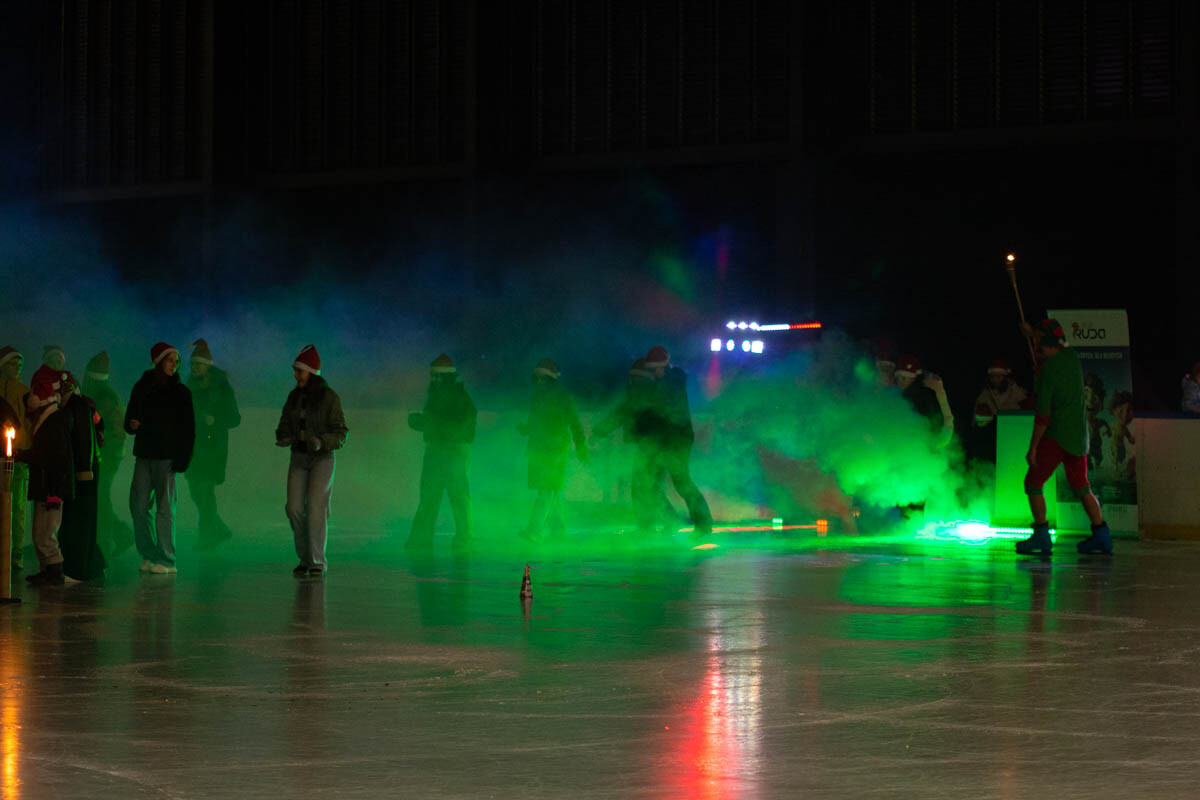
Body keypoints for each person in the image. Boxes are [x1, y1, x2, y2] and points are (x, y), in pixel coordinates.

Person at [1016, 318, 1111, 555]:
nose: (1039, 350)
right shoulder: (1072, 357)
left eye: (1041, 346)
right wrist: (1034, 332)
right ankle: (1101, 535)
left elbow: (1043, 415)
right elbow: (1053, 342)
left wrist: (1033, 447)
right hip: (1079, 436)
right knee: (1081, 486)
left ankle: (1041, 536)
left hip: (1056, 436)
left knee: (1033, 483)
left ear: (1047, 346)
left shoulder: (1047, 371)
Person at [276, 345, 347, 577]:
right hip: (299, 457)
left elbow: (340, 433)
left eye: (300, 371)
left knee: (316, 508)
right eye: (295, 371)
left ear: (312, 372)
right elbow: (284, 423)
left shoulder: (329, 398)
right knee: (294, 508)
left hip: (321, 459)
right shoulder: (293, 397)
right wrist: (284, 436)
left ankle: (316, 561)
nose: (296, 375)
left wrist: (321, 441)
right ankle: (305, 557)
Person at [125, 342, 195, 574]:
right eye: (170, 360)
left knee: (165, 507)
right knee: (138, 504)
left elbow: (188, 429)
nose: (174, 365)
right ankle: (149, 553)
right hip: (144, 454)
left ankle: (166, 559)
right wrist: (132, 424)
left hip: (166, 456)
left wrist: (182, 458)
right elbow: (130, 417)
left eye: (176, 361)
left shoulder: (181, 393)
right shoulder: (142, 386)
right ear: (158, 361)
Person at [638, 346, 713, 536]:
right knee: (652, 484)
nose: (654, 373)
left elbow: (663, 407)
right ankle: (671, 520)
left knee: (681, 482)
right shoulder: (661, 382)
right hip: (664, 440)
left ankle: (703, 524)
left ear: (662, 367)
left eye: (656, 369)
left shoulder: (674, 379)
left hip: (676, 440)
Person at [406, 354, 476, 551]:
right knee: (430, 497)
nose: (434, 380)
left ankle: (464, 539)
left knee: (458, 498)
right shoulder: (439, 397)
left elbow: (464, 429)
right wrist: (423, 423)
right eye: (432, 376)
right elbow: (439, 424)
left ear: (446, 377)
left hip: (454, 453)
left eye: (438, 376)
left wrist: (429, 425)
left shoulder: (460, 399)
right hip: (437, 452)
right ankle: (422, 538)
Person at [518, 359, 588, 541]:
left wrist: (581, 447)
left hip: (555, 449)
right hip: (540, 448)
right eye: (537, 377)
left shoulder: (563, 397)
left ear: (551, 378)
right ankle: (559, 530)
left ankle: (534, 530)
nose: (540, 381)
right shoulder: (538, 396)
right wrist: (526, 429)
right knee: (553, 490)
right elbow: (537, 422)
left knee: (547, 489)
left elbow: (574, 423)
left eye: (543, 378)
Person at [17, 366, 74, 586]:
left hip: (51, 487)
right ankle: (47, 569)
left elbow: (49, 457)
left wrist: (22, 455)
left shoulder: (53, 424)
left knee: (45, 533)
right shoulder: (51, 422)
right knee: (41, 531)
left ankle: (53, 570)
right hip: (48, 485)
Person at [594, 357, 668, 525]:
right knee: (653, 487)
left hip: (649, 446)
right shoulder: (657, 391)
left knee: (642, 487)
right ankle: (666, 522)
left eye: (633, 377)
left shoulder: (638, 393)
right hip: (659, 446)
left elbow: (619, 414)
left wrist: (599, 431)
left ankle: (646, 526)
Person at [186, 339, 241, 551]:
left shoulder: (221, 387)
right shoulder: (189, 385)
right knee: (196, 490)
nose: (194, 368)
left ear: (208, 365)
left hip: (213, 447)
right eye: (192, 365)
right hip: (194, 446)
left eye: (197, 365)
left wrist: (214, 420)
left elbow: (235, 418)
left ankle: (206, 537)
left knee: (204, 489)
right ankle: (217, 528)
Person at [83, 352, 134, 555]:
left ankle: (104, 542)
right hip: (108, 454)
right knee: (100, 497)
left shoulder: (102, 397)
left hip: (106, 456)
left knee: (101, 498)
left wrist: (103, 451)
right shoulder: (105, 394)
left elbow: (111, 430)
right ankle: (119, 535)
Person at [58, 372, 106, 581]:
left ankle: (78, 569)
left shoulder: (77, 407)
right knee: (83, 520)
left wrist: (84, 471)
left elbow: (85, 439)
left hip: (83, 473)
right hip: (84, 470)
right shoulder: (79, 406)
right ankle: (90, 565)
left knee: (79, 520)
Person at [0, 346, 30, 569]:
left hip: (18, 457)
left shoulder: (24, 392)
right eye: (12, 363)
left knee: (17, 507)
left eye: (19, 363)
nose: (17, 367)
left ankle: (16, 554)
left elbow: (29, 423)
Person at [967, 359, 1030, 463]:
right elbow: (977, 422)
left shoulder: (1017, 392)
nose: (995, 380)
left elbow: (1026, 416)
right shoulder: (985, 395)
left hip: (1015, 436)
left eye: (998, 377)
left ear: (1005, 377)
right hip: (994, 437)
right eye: (992, 377)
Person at [893, 354, 954, 447]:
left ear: (913, 377)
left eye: (904, 377)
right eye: (898, 378)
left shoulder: (923, 398)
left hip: (922, 447)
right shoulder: (898, 396)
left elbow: (937, 433)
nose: (900, 381)